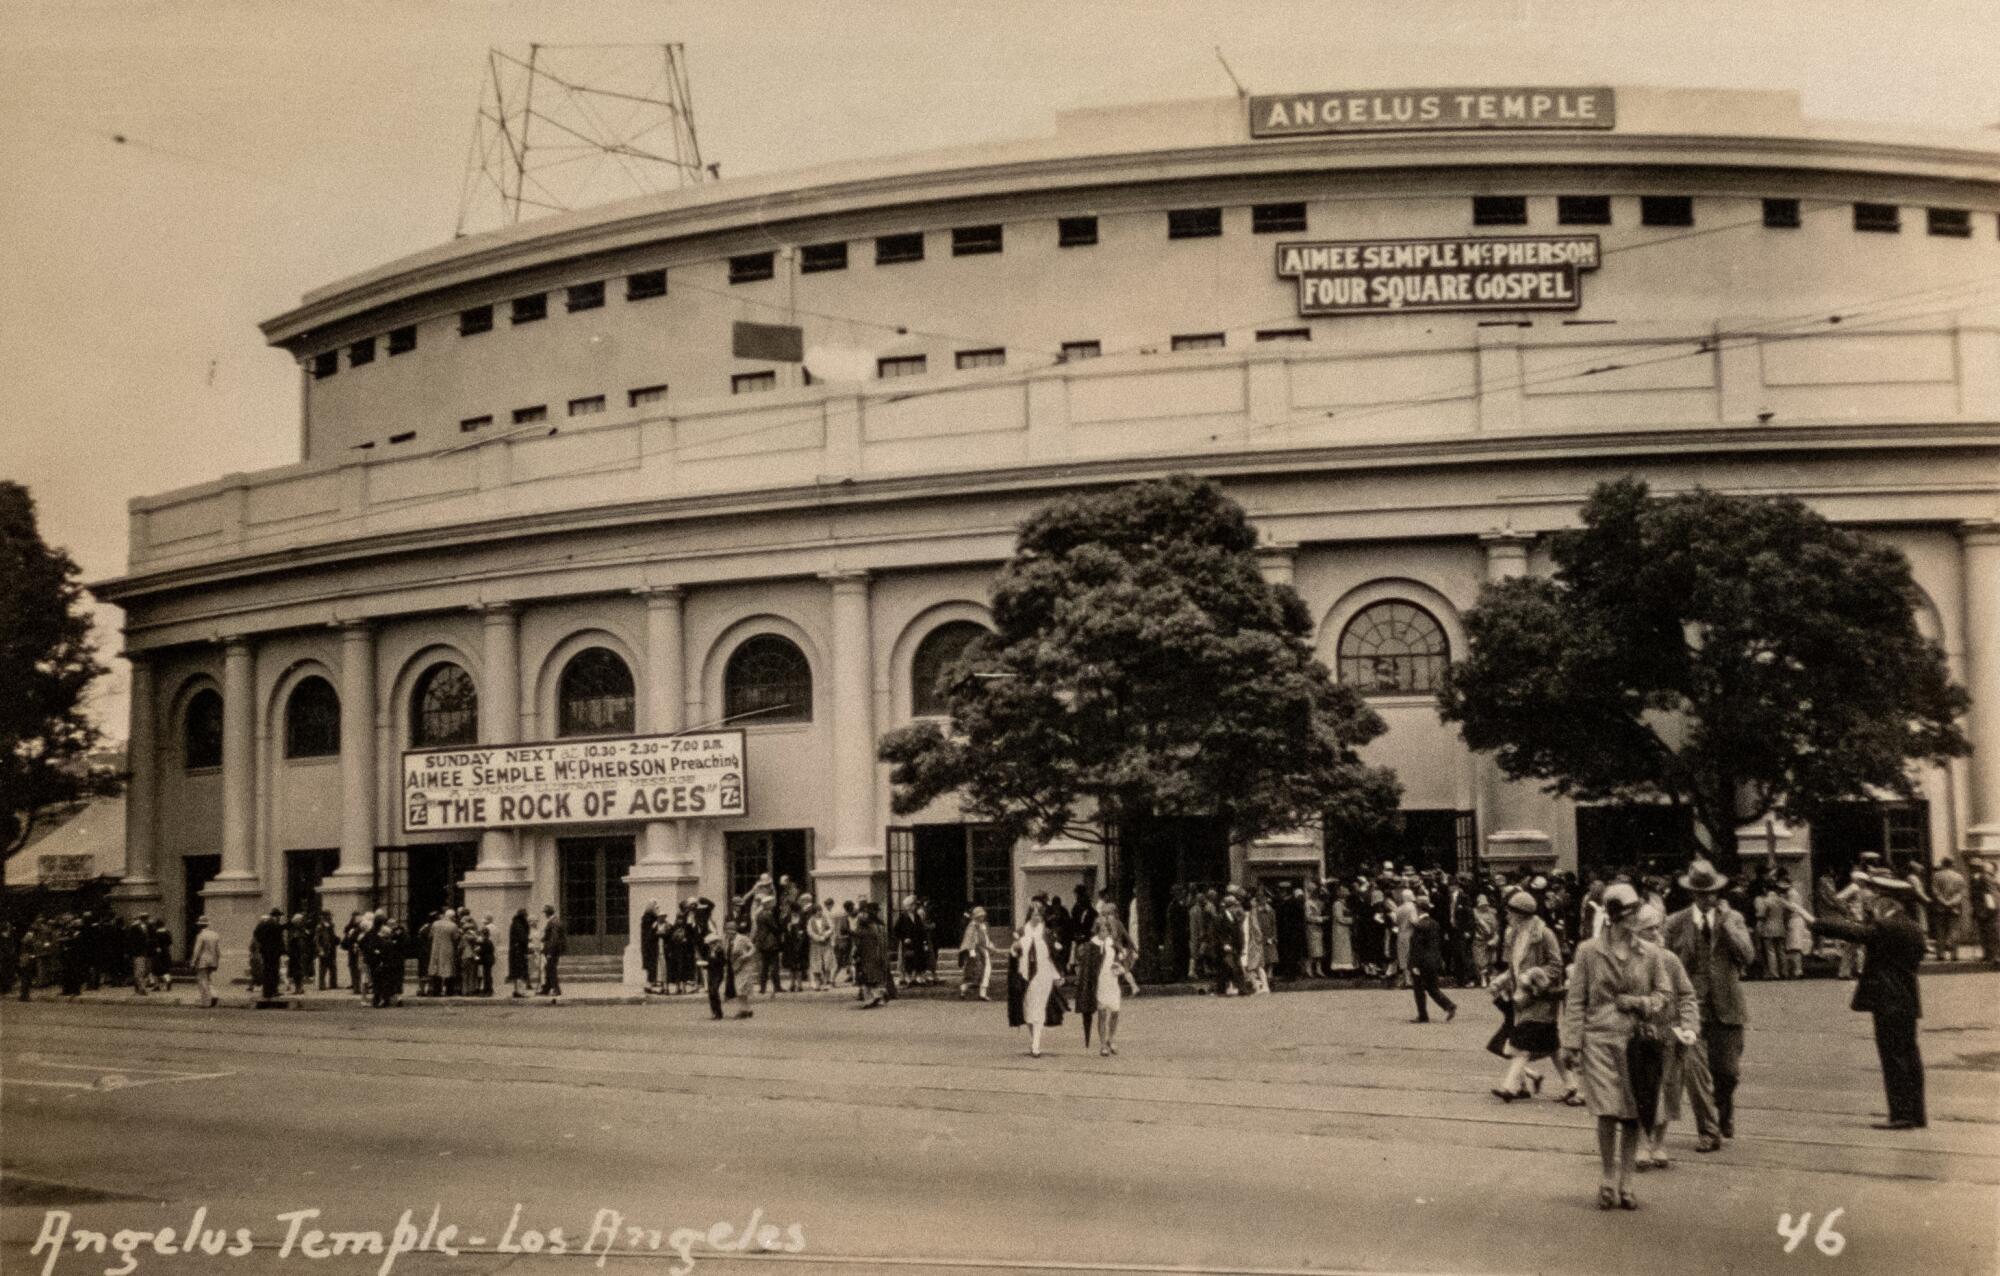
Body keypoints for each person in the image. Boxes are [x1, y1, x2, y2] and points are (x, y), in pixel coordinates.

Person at [1560, 883, 1682, 1210]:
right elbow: (1576, 1000)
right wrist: (1570, 1044)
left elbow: (1665, 996)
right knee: (1607, 1111)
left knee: (1632, 1113)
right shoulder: (1588, 952)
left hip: (1636, 1041)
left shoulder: (1651, 954)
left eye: (1635, 913)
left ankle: (1627, 1181)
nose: (1634, 919)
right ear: (1614, 917)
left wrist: (1641, 1003)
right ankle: (1607, 1176)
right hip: (1598, 1039)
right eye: (1628, 914)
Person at [1811, 875, 1929, 1129]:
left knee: (1893, 1057)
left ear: (1888, 901)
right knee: (1910, 1055)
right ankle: (1916, 1113)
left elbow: (1856, 933)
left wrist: (1818, 923)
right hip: (1907, 999)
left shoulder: (1888, 926)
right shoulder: (1914, 927)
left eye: (1877, 898)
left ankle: (1901, 1115)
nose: (1873, 903)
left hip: (1888, 1000)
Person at [1663, 858, 1755, 1143]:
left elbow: (1748, 956)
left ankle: (1723, 1111)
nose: (1708, 899)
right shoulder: (1675, 923)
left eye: (1713, 893)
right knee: (1695, 1072)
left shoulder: (1733, 919)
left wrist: (1726, 926)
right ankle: (1708, 1130)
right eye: (1702, 894)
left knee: (1728, 1074)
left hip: (1728, 1008)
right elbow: (1665, 963)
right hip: (1691, 1009)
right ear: (1693, 894)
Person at [1631, 903, 1709, 1170]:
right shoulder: (1628, 961)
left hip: (1669, 1035)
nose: (1655, 933)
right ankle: (1642, 1143)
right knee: (1641, 1090)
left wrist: (1689, 1025)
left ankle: (1659, 1144)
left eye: (1657, 927)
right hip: (1639, 1036)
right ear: (1635, 932)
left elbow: (1687, 995)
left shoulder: (1670, 960)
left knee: (1668, 1090)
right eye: (1647, 929)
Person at [1493, 890, 1579, 1105]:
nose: (1508, 915)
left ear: (1521, 913)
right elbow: (1513, 968)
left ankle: (1510, 1087)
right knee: (1551, 1046)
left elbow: (1556, 965)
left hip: (1541, 997)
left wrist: (1533, 975)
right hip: (1521, 998)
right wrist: (1501, 981)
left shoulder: (1544, 934)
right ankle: (1571, 1085)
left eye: (1511, 911)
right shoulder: (1513, 935)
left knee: (1522, 1042)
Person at [1008, 902, 1064, 1056]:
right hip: (1025, 975)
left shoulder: (1047, 933)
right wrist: (1015, 948)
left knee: (1039, 1007)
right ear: (1029, 915)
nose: (1036, 917)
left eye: (1039, 914)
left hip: (1043, 974)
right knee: (1027, 1008)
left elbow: (1052, 957)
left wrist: (1057, 975)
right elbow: (1014, 954)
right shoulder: (1021, 932)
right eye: (1034, 914)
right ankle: (1034, 1040)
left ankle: (1036, 1044)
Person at [1074, 911, 1130, 1056]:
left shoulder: (1113, 943)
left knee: (1116, 1012)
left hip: (1112, 982)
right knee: (1102, 1014)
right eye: (1103, 930)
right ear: (1097, 930)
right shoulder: (1092, 945)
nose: (1105, 932)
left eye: (1107, 930)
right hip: (1100, 983)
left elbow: (1122, 959)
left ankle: (1111, 1038)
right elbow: (1087, 966)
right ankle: (1103, 1043)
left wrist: (1120, 965)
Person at [1407, 898, 1456, 1024]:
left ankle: (1423, 1015)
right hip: (1434, 960)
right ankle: (1448, 1005)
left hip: (1422, 961)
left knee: (1419, 989)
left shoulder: (1419, 925)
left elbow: (1416, 947)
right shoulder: (1434, 923)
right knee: (1432, 987)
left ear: (1419, 909)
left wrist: (1414, 964)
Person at [1929, 857, 1969, 962]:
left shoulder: (1936, 876)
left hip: (1940, 907)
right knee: (1954, 930)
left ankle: (1940, 954)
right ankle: (1954, 955)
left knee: (1940, 931)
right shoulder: (1959, 877)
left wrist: (1944, 902)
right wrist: (1952, 902)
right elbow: (1961, 893)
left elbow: (1935, 891)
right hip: (1954, 908)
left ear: (1942, 864)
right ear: (1952, 864)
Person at [852, 902, 889, 1008]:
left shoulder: (866, 925)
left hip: (867, 953)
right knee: (876, 975)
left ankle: (871, 998)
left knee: (865, 976)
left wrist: (855, 951)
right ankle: (879, 995)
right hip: (877, 952)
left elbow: (858, 937)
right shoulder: (879, 924)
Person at [958, 906, 996, 1000]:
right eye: (979, 916)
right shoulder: (973, 925)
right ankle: (964, 989)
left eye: (982, 915)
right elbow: (970, 939)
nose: (981, 917)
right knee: (974, 971)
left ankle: (982, 993)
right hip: (976, 951)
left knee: (986, 970)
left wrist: (991, 946)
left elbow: (986, 938)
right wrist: (971, 952)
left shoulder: (984, 925)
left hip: (984, 950)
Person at [252, 908, 285, 1003]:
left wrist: (262, 943)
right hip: (273, 952)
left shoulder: (263, 924)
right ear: (277, 916)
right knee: (274, 971)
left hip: (266, 951)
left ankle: (267, 991)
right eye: (279, 916)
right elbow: (279, 939)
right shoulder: (274, 924)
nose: (279, 918)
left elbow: (256, 934)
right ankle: (273, 990)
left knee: (267, 970)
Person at [190, 914, 223, 1008]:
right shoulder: (215, 935)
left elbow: (196, 950)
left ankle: (206, 1001)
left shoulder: (201, 936)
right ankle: (214, 994)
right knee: (208, 979)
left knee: (202, 980)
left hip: (202, 960)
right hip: (213, 960)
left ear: (200, 926)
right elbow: (218, 950)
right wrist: (217, 960)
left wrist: (193, 961)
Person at [428, 908, 461, 997]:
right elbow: (456, 938)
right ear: (452, 917)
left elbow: (430, 935)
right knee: (448, 969)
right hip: (448, 949)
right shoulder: (453, 926)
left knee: (436, 969)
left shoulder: (435, 924)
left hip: (436, 948)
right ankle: (449, 990)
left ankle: (436, 990)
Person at [539, 905, 565, 1000]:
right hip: (552, 949)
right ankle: (546, 988)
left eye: (545, 913)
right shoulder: (554, 921)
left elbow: (554, 938)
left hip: (553, 950)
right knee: (548, 968)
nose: (544, 915)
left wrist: (550, 952)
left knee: (551, 969)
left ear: (547, 913)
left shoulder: (554, 922)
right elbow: (549, 936)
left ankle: (556, 989)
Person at [506, 908, 531, 997]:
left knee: (517, 973)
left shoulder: (515, 923)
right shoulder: (520, 925)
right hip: (519, 952)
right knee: (521, 972)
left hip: (515, 951)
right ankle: (521, 992)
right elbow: (522, 938)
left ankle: (517, 990)